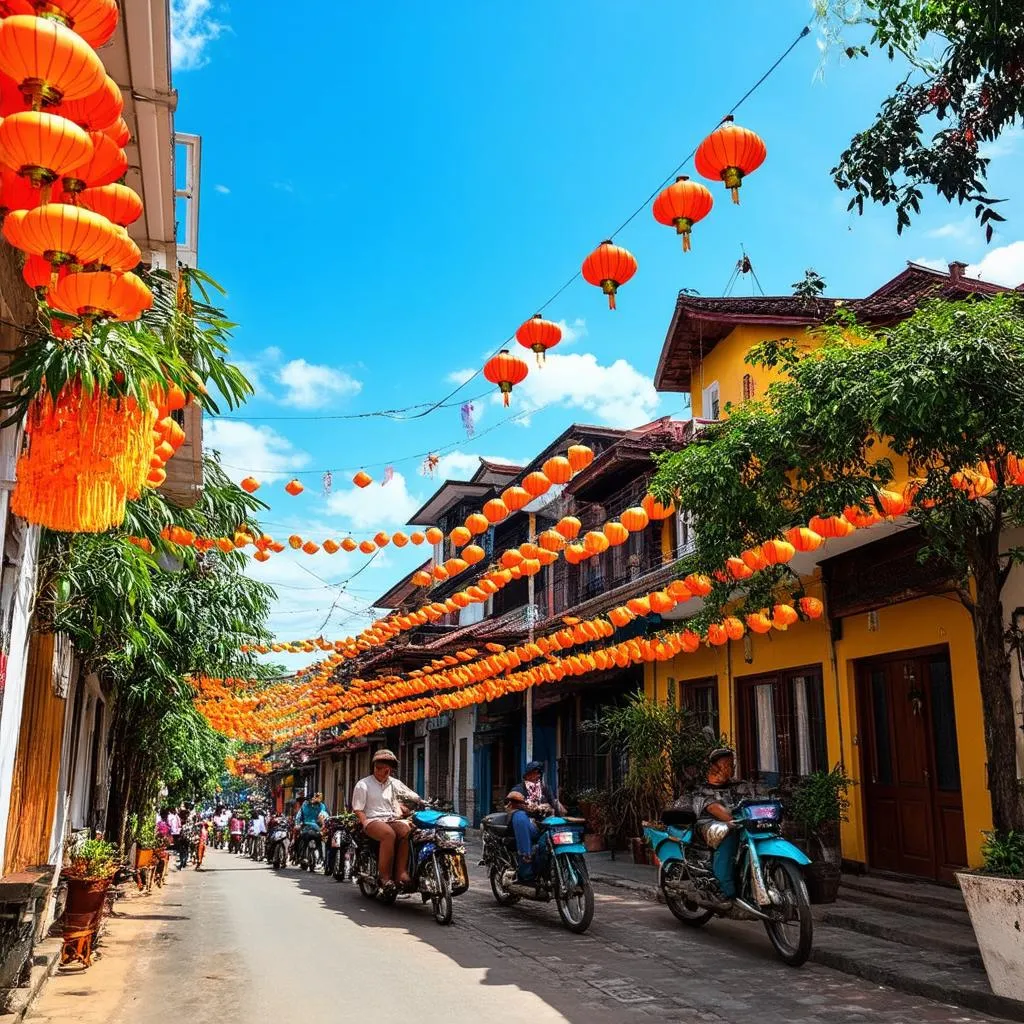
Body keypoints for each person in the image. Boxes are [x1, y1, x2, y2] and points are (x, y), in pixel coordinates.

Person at [690, 747, 753, 898]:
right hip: (708, 825)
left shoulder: (739, 786)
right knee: (729, 831)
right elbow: (718, 811)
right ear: (714, 767)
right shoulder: (703, 790)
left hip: (738, 821)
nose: (731, 767)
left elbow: (754, 800)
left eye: (732, 763)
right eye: (727, 764)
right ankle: (724, 889)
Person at [351, 750, 420, 890]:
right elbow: (358, 809)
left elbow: (413, 796)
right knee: (388, 834)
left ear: (390, 770)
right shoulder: (363, 784)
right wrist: (364, 823)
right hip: (371, 820)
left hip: (391, 818)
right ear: (374, 767)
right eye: (379, 768)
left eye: (386, 769)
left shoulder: (395, 783)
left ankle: (401, 873)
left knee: (406, 830)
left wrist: (418, 802)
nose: (382, 772)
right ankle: (385, 877)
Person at [504, 761, 565, 881]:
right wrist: (526, 806)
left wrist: (554, 809)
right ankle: (525, 857)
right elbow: (511, 798)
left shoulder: (545, 789)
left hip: (543, 825)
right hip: (527, 826)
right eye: (534, 773)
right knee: (519, 816)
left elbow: (554, 804)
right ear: (527, 775)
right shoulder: (520, 788)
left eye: (538, 773)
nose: (537, 776)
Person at [295, 793, 328, 865]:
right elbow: (299, 815)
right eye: (311, 799)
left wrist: (324, 824)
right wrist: (297, 824)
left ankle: (321, 858)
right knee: (299, 839)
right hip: (306, 826)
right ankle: (298, 856)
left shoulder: (321, 806)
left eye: (314, 798)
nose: (312, 800)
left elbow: (324, 815)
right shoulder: (305, 805)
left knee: (320, 841)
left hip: (317, 828)